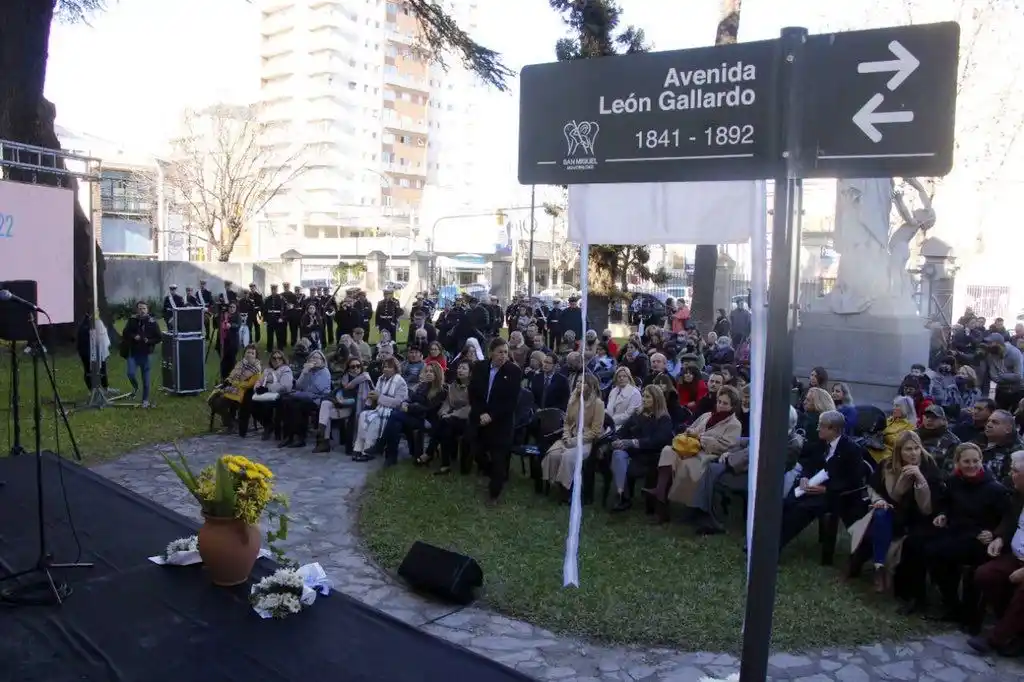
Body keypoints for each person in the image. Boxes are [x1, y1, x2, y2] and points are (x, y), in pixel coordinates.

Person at [778, 410, 870, 552]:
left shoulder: (851, 449)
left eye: (821, 426)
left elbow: (854, 480)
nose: (817, 429)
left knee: (802, 509)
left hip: (836, 495)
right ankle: (768, 538)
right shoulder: (822, 443)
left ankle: (774, 548)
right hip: (813, 486)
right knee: (788, 502)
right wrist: (804, 477)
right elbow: (810, 464)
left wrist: (826, 489)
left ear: (834, 429)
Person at [970, 450, 1024, 657]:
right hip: (1015, 555)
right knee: (986, 574)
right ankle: (1014, 628)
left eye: (1015, 471)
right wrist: (1000, 537)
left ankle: (997, 638)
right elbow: (1011, 521)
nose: (1011, 474)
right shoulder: (1019, 495)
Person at [468, 337, 523, 505]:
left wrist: (491, 415)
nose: (503, 356)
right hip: (480, 417)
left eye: (506, 352)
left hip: (501, 422)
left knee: (499, 457)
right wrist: (482, 413)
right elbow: (474, 394)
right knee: (474, 448)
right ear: (490, 353)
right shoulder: (480, 367)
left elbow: (511, 401)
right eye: (500, 352)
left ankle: (494, 493)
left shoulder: (513, 371)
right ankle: (490, 471)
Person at [540, 374, 604, 500]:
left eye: (583, 382)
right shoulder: (573, 400)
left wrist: (575, 441)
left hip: (586, 440)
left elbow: (595, 431)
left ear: (591, 386)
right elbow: (567, 423)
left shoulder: (598, 403)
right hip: (570, 436)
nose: (579, 384)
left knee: (568, 457)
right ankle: (556, 483)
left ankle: (567, 489)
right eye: (578, 382)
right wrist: (566, 436)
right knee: (553, 455)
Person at [277, 350, 332, 449]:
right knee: (286, 401)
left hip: (319, 399)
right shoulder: (308, 371)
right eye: (312, 357)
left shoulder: (325, 371)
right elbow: (298, 386)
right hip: (304, 397)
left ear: (322, 361)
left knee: (297, 404)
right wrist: (304, 373)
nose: (314, 360)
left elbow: (317, 389)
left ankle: (300, 437)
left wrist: (301, 392)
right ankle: (288, 436)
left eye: (317, 358)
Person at [208, 344, 262, 433]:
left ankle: (230, 424)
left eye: (252, 353)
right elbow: (232, 375)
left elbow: (246, 383)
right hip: (232, 389)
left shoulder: (256, 368)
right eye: (248, 352)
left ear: (256, 356)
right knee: (213, 399)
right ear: (244, 353)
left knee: (221, 402)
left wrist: (234, 383)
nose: (250, 355)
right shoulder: (240, 364)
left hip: (245, 393)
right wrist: (228, 381)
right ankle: (231, 422)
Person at [243, 350, 293, 441]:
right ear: (271, 360)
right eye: (274, 358)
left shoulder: (286, 370)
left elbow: (285, 386)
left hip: (281, 396)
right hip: (267, 394)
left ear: (283, 359)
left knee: (266, 404)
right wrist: (257, 387)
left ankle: (270, 427)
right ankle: (267, 425)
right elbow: (259, 382)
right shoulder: (267, 370)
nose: (277, 360)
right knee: (252, 403)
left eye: (279, 358)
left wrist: (268, 388)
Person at [120, 301, 161, 408]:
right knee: (131, 373)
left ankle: (145, 400)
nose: (142, 310)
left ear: (147, 310)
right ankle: (135, 387)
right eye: (140, 308)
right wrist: (134, 336)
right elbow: (125, 332)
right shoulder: (132, 320)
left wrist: (149, 341)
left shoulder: (152, 322)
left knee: (146, 379)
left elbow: (159, 337)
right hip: (133, 352)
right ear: (137, 310)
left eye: (144, 308)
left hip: (146, 354)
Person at [76, 310, 110, 394]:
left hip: (98, 350)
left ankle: (105, 388)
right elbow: (86, 337)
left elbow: (102, 334)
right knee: (89, 370)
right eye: (96, 311)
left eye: (98, 311)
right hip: (87, 351)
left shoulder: (97, 321)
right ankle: (92, 389)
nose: (98, 313)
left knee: (102, 368)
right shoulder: (86, 324)